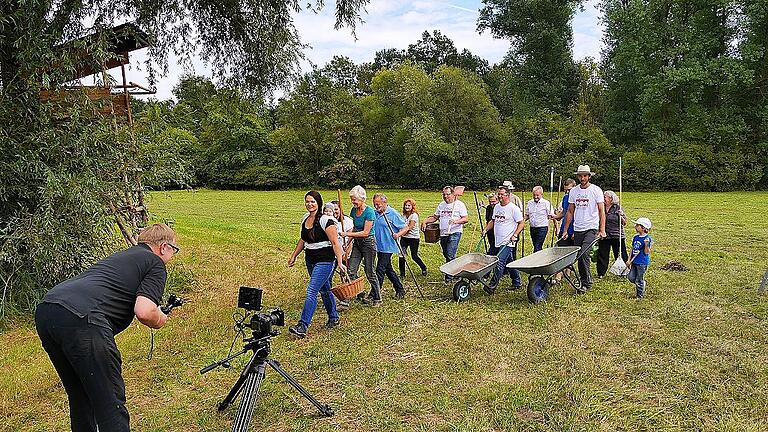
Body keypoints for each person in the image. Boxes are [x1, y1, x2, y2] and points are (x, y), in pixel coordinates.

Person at [35, 223, 179, 432]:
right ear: (164, 247)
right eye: (174, 250)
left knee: (80, 394)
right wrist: (161, 319)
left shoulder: (123, 257)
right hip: (83, 318)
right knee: (109, 401)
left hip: (48, 310)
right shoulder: (155, 263)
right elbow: (145, 311)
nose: (172, 255)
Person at [288, 192, 347, 338]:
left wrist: (340, 262)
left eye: (312, 201)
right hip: (310, 260)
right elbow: (303, 240)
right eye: (307, 202)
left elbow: (335, 243)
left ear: (319, 203)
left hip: (325, 261)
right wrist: (294, 255)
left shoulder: (326, 220)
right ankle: (334, 318)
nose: (309, 204)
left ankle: (302, 325)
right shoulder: (305, 219)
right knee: (325, 290)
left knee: (311, 291)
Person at [561, 165, 606, 292]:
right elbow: (570, 211)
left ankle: (586, 282)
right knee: (578, 255)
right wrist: (565, 230)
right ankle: (583, 279)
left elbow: (601, 211)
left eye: (585, 175)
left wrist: (602, 229)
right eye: (580, 176)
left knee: (583, 253)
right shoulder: (574, 191)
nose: (583, 178)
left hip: (591, 227)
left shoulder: (596, 190)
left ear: (589, 176)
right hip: (577, 228)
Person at [340, 185, 381, 307]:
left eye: (355, 199)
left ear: (362, 199)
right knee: (351, 271)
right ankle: (346, 300)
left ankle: (377, 298)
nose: (353, 202)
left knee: (370, 272)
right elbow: (356, 228)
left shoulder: (369, 213)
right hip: (357, 243)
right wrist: (348, 240)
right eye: (352, 199)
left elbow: (365, 232)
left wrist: (347, 233)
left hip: (368, 243)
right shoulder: (354, 211)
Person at [421, 186, 469, 282]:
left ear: (453, 194)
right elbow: (435, 217)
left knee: (450, 253)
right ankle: (456, 272)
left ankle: (449, 277)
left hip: (455, 232)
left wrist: (456, 221)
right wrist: (425, 221)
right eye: (444, 194)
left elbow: (465, 219)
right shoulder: (441, 205)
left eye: (448, 194)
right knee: (446, 254)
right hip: (443, 233)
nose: (445, 196)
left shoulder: (459, 205)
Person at [483, 184, 524, 292]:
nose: (499, 197)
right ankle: (517, 281)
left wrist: (515, 234)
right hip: (498, 240)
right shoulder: (497, 207)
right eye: (498, 194)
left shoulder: (513, 209)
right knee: (509, 262)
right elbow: (493, 220)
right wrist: (486, 229)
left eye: (502, 195)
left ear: (508, 195)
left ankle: (492, 286)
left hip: (508, 241)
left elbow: (521, 223)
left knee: (499, 262)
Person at [372, 193, 408, 299]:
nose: (376, 206)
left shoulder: (392, 213)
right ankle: (400, 289)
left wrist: (398, 234)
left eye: (378, 204)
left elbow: (405, 227)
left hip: (388, 246)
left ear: (384, 202)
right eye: (374, 204)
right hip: (378, 246)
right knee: (388, 269)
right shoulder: (375, 213)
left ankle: (374, 294)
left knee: (380, 269)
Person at [596, 190, 629, 278]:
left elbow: (625, 223)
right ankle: (601, 273)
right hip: (605, 235)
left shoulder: (618, 207)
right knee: (602, 254)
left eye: (605, 197)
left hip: (617, 235)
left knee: (620, 254)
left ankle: (624, 272)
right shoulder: (600, 207)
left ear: (611, 199)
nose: (603, 198)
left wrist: (621, 216)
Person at [399, 198, 428, 278]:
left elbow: (409, 228)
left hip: (413, 238)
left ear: (412, 207)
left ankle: (423, 267)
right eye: (406, 205)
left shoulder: (414, 216)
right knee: (401, 255)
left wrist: (399, 234)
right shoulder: (403, 215)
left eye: (409, 205)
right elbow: (400, 225)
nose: (407, 207)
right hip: (404, 238)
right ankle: (402, 274)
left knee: (414, 256)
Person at [626, 217, 653, 298]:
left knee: (638, 279)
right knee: (631, 277)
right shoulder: (635, 237)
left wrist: (646, 245)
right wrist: (629, 259)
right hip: (634, 261)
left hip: (642, 263)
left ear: (643, 228)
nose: (635, 226)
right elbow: (632, 248)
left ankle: (639, 296)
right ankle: (641, 283)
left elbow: (646, 252)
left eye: (637, 225)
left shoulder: (647, 239)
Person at [525, 186, 554, 252]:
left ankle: (536, 260)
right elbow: (527, 215)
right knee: (535, 245)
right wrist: (522, 222)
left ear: (541, 194)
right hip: (532, 228)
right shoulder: (530, 203)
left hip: (542, 228)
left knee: (537, 246)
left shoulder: (546, 203)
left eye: (537, 195)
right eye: (534, 195)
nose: (535, 197)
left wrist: (557, 228)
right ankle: (540, 258)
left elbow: (552, 216)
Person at [551, 178, 577, 246]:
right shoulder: (565, 198)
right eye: (565, 190)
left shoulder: (579, 200)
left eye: (569, 190)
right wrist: (555, 216)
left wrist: (575, 232)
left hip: (575, 231)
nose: (567, 192)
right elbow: (564, 212)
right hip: (564, 230)